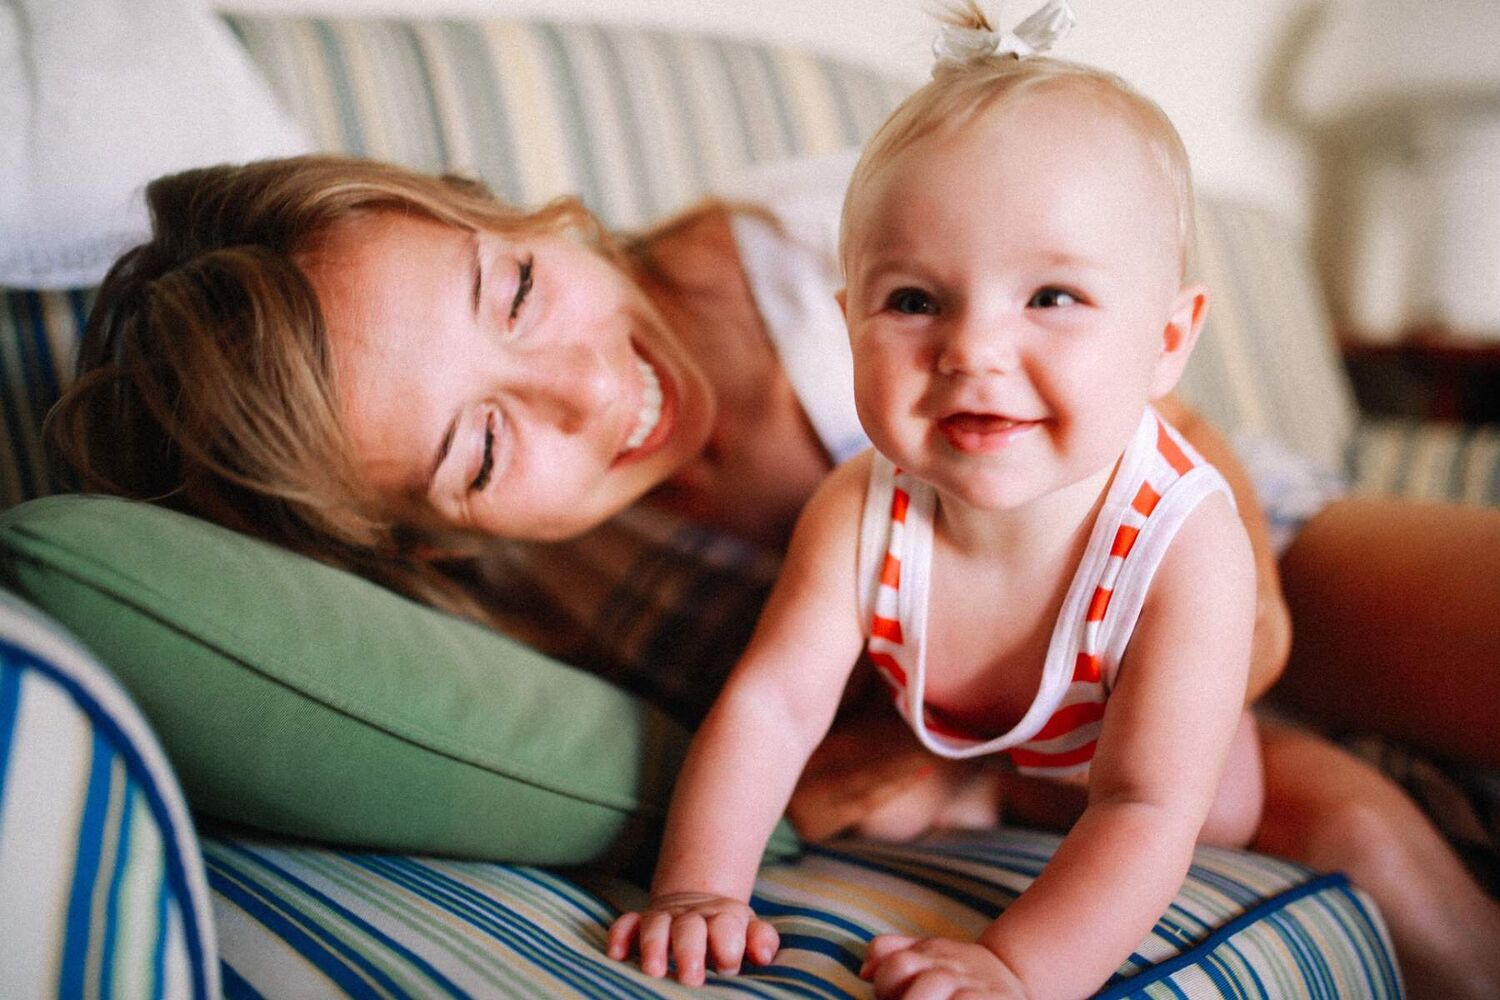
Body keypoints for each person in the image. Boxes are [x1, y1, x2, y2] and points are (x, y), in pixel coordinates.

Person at [43, 14, 1500, 999]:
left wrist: (1205, 640)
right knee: (1369, 841)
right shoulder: (554, 598)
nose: (585, 391)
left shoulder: (833, 232)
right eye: (484, 452)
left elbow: (1172, 475)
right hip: (1038, 717)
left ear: (527, 219)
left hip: (1234, 540)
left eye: (524, 292)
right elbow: (779, 710)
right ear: (430, 537)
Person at [605, 12, 1273, 996]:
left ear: (1170, 339)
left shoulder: (1185, 541)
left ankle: (991, 778)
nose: (973, 350)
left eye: (1050, 296)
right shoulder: (858, 510)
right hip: (979, 724)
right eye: (915, 300)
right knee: (894, 785)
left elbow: (1143, 804)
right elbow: (774, 704)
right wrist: (700, 887)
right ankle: (982, 774)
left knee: (1220, 809)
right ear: (848, 325)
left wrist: (1017, 965)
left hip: (1139, 754)